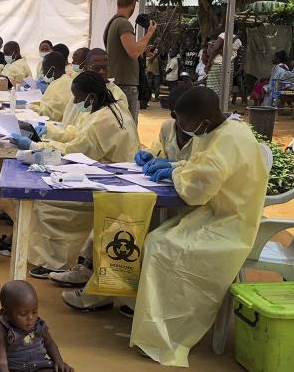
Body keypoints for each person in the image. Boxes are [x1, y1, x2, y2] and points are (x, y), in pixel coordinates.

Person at [131, 86, 268, 367]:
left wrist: (175, 172)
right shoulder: (219, 130)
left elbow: (198, 190)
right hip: (215, 214)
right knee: (156, 237)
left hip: (232, 223)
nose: (180, 127)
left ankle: (168, 334)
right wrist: (173, 165)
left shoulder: (228, 139)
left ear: (203, 120)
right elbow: (199, 166)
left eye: (184, 122)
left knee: (161, 247)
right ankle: (156, 324)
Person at [51, 83, 195, 291]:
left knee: (129, 225)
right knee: (116, 212)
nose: (180, 124)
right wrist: (150, 158)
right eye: (176, 117)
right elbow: (158, 152)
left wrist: (174, 168)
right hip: (157, 194)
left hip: (184, 206)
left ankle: (112, 289)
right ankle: (90, 271)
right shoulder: (168, 127)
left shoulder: (204, 138)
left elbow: (200, 172)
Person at [11, 71, 140, 278]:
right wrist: (49, 131)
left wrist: (36, 145)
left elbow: (75, 152)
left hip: (108, 181)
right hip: (104, 171)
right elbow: (78, 134)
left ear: (91, 96)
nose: (77, 102)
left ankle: (56, 262)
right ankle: (76, 262)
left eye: (79, 98)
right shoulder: (107, 109)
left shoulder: (103, 120)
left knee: (46, 203)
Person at [0, 280, 104, 372]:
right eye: (23, 314)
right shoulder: (2, 330)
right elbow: (1, 362)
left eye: (34, 312)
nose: (30, 318)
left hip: (37, 370)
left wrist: (58, 360)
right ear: (6, 313)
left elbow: (50, 344)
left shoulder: (39, 325)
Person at [103, 0, 157, 123]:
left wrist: (143, 51)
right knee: (129, 127)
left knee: (118, 126)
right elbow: (133, 52)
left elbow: (124, 51)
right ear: (133, 4)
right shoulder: (123, 23)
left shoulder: (112, 23)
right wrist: (149, 33)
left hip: (118, 83)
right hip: (125, 84)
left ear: (118, 2)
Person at [34, 52, 71, 122]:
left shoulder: (63, 83)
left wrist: (31, 108)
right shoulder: (58, 81)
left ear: (53, 69)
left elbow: (50, 114)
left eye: (44, 69)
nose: (43, 73)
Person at [205, 32, 242, 100]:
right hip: (229, 66)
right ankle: (222, 105)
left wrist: (208, 63)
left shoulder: (223, 35)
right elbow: (237, 57)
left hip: (217, 65)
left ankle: (213, 104)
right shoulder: (239, 41)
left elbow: (215, 49)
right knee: (226, 88)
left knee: (212, 87)